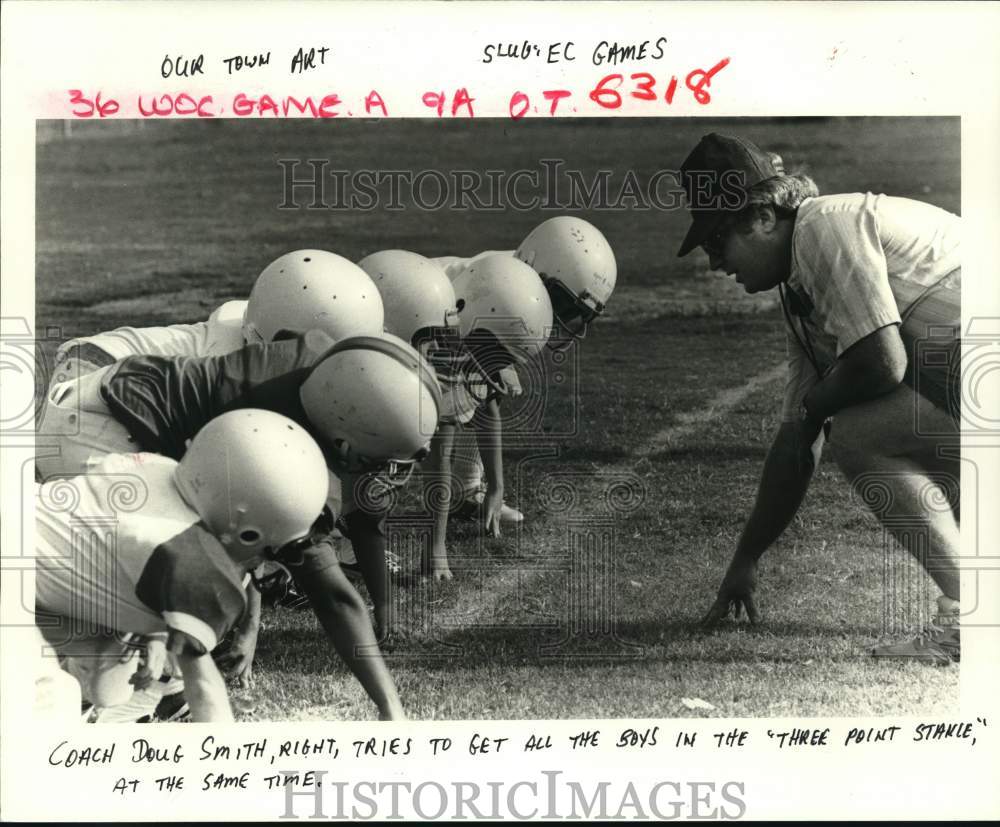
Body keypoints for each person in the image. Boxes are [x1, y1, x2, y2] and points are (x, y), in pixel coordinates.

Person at [35, 330, 443, 717]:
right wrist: (390, 705)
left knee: (167, 596)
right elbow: (328, 593)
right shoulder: (284, 431)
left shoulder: (331, 373)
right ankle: (99, 699)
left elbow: (246, 539)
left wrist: (249, 628)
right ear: (342, 441)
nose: (390, 476)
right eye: (382, 461)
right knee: (157, 629)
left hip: (124, 420)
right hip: (108, 427)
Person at [41, 249, 390, 685]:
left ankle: (114, 647)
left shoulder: (266, 352)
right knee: (173, 549)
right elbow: (240, 502)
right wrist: (248, 626)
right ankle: (120, 666)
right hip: (98, 402)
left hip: (104, 390)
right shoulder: (262, 379)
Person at [677, 132, 961, 663]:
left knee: (861, 433)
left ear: (762, 217)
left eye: (717, 242)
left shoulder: (820, 225)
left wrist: (816, 408)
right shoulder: (801, 288)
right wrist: (746, 559)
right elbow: (795, 439)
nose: (715, 265)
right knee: (900, 428)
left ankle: (974, 616)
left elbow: (882, 363)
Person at [35, 409, 331, 722]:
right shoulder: (194, 563)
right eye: (272, 552)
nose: (265, 563)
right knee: (50, 704)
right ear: (246, 531)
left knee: (109, 684)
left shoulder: (159, 469)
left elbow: (118, 551)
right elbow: (204, 688)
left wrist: (154, 633)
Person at [429, 217, 619, 534]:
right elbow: (450, 424)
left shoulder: (523, 275)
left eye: (573, 312)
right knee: (414, 415)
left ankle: (466, 490)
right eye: (560, 302)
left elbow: (487, 396)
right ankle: (343, 518)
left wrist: (497, 487)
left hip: (439, 326)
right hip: (393, 326)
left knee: (481, 388)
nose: (561, 317)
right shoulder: (491, 289)